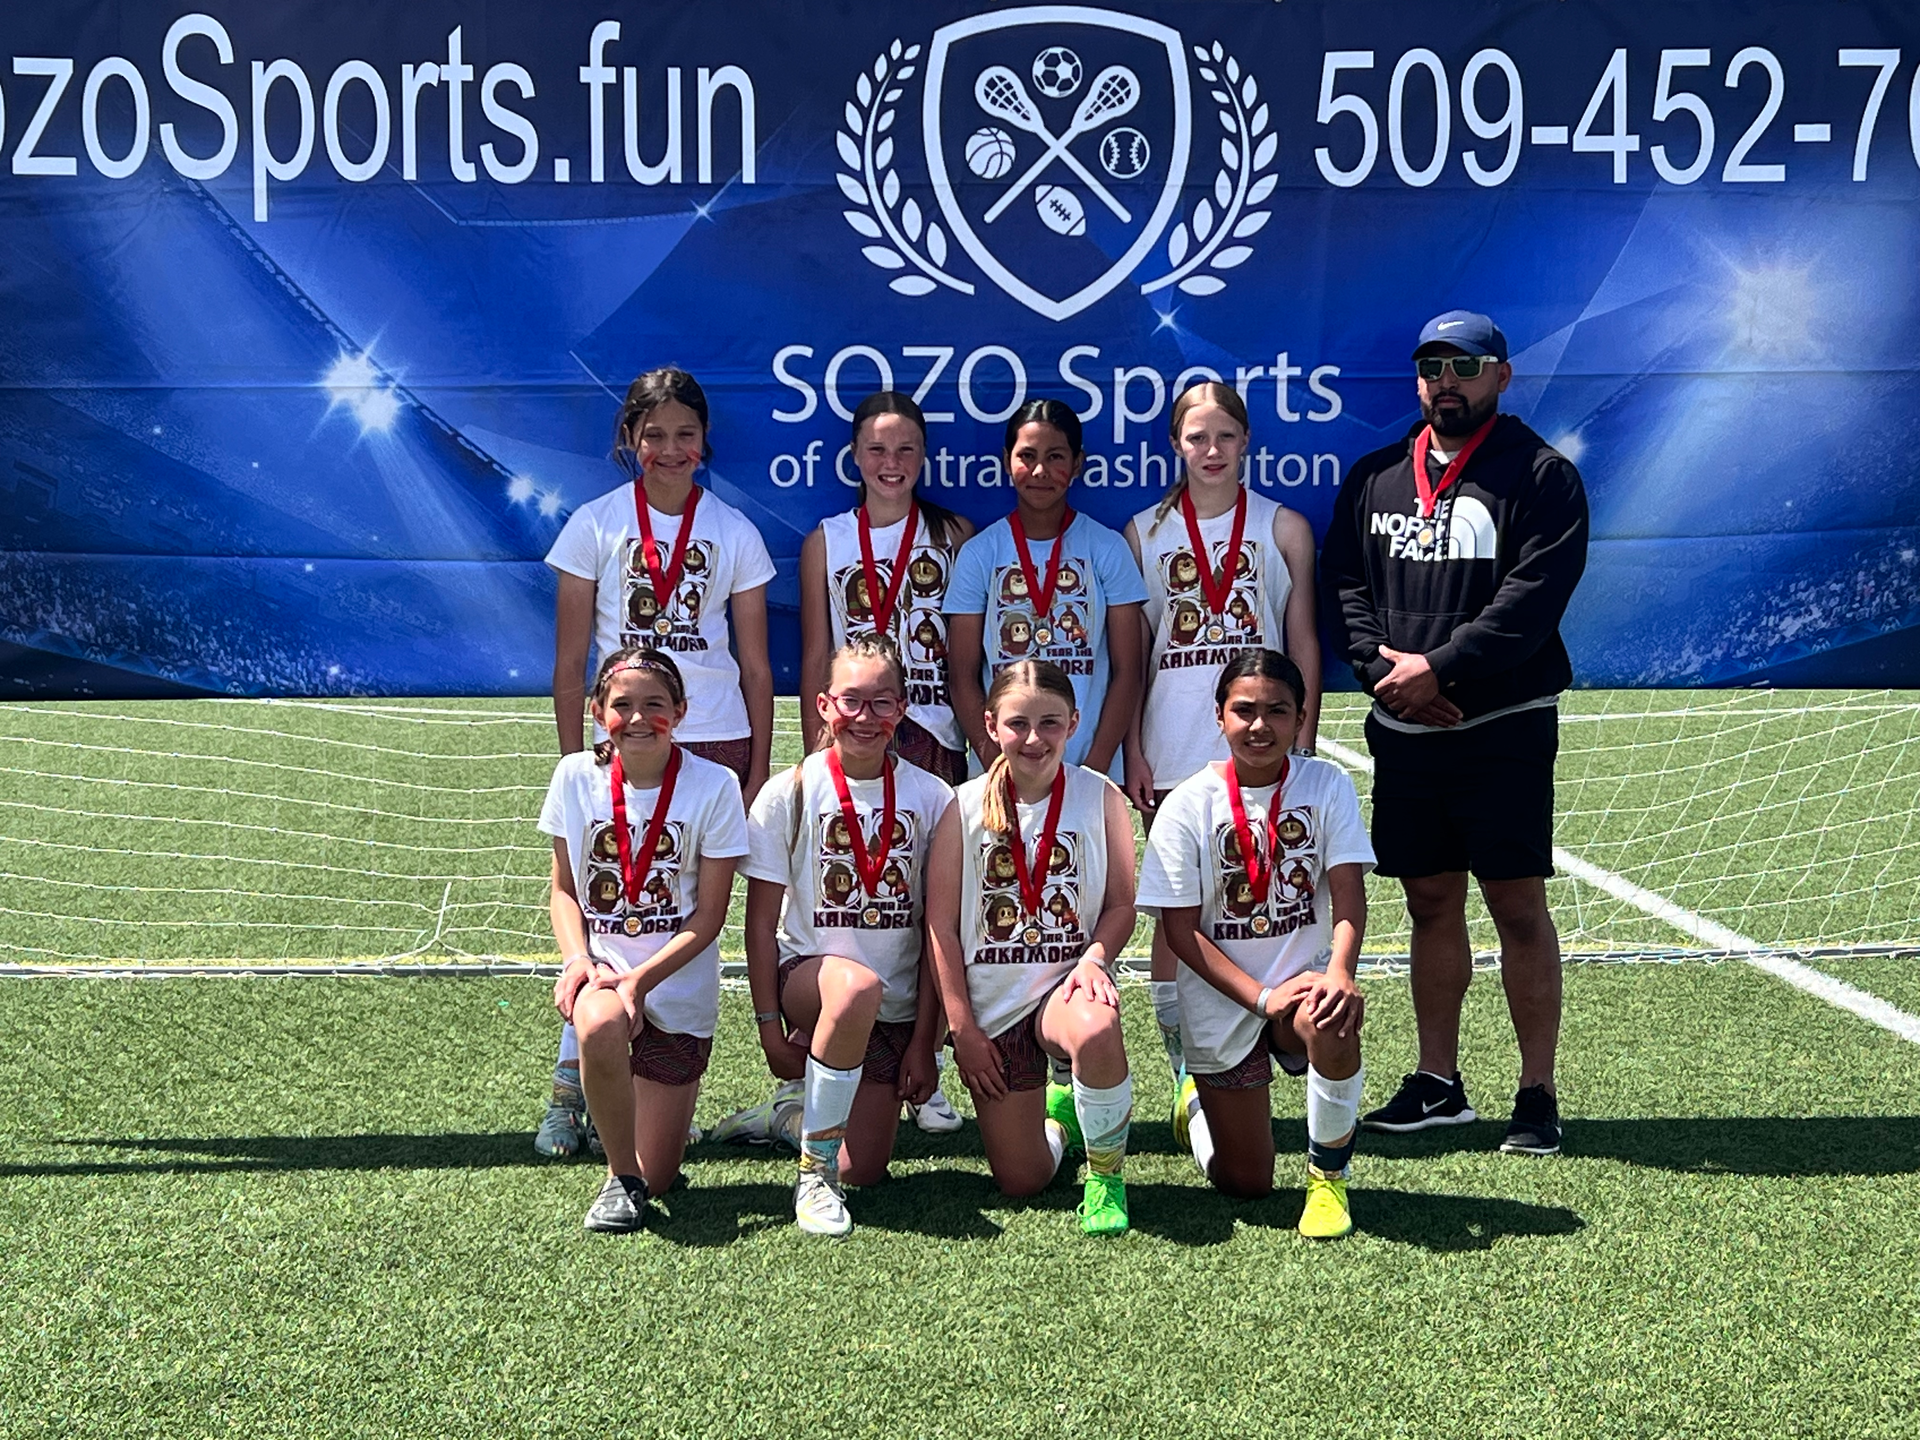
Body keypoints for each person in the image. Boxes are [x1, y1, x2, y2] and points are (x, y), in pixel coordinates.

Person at [1320, 310, 1589, 1156]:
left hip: (1502, 728)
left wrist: (1442, 670)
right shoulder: (1374, 477)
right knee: (1429, 900)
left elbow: (1534, 598)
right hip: (1404, 730)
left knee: (1516, 903)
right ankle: (1439, 1082)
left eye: (1467, 366)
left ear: (1502, 377)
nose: (1449, 380)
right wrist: (1380, 674)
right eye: (1433, 365)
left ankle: (1536, 1092)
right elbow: (1343, 586)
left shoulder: (1542, 476)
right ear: (1417, 380)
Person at [536, 366, 776, 1159]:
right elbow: (572, 659)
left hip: (715, 741)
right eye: (654, 435)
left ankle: (677, 1080)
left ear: (705, 442)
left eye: (685, 434)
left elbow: (754, 662)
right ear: (629, 442)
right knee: (608, 904)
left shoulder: (733, 530)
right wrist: (579, 761)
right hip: (626, 734)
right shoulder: (594, 525)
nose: (670, 449)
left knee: (684, 917)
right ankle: (573, 1086)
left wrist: (756, 763)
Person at [1121, 380, 1322, 1126]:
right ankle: (1186, 1071)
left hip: (1266, 749)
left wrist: (1305, 737)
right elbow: (1137, 653)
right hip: (1174, 749)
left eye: (1225, 437)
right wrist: (1134, 752)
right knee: (1181, 918)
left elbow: (1302, 639)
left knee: (1261, 902)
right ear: (1175, 443)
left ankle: (1274, 1024)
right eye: (1196, 438)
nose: (1211, 451)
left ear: (1246, 443)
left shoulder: (1284, 527)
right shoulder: (1143, 533)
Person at [712, 637, 954, 1237]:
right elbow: (759, 925)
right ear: (823, 706)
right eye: (850, 701)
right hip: (811, 984)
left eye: (881, 703)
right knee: (852, 988)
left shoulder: (933, 797)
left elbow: (939, 934)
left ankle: (791, 1117)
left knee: (866, 1169)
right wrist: (769, 1026)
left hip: (893, 1007)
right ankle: (815, 1177)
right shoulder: (788, 792)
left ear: (903, 709)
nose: (864, 717)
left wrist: (926, 1040)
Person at [1137, 650, 1372, 1238]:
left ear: (1299, 718)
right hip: (1225, 997)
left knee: (1334, 1018)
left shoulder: (1327, 784)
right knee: (1247, 1183)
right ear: (1219, 716)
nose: (1260, 725)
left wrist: (1340, 970)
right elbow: (1179, 932)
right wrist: (1261, 998)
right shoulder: (1186, 805)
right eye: (1244, 710)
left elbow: (1348, 895)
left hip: (1303, 987)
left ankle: (1328, 1181)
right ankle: (1192, 1102)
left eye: (1277, 711)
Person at [799, 391, 973, 1135]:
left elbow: (971, 653)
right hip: (855, 736)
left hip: (935, 735)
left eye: (905, 450)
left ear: (924, 457)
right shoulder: (826, 541)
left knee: (935, 911)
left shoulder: (956, 533)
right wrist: (816, 748)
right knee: (852, 902)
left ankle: (924, 1068)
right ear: (855, 457)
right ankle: (823, 1064)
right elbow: (815, 648)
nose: (891, 464)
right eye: (877, 450)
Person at [926, 660, 1139, 1236]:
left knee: (1096, 1026)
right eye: (1018, 724)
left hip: (1066, 986)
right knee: (1021, 1181)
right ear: (991, 724)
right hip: (993, 1008)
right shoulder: (961, 806)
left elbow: (1122, 904)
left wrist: (1095, 959)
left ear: (1073, 722)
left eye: (1050, 723)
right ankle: (1065, 1120)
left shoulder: (1100, 796)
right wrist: (962, 1029)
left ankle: (1105, 1177)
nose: (1034, 739)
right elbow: (941, 927)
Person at [540, 647, 748, 1232]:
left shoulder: (715, 784)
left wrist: (640, 980)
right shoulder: (574, 777)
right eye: (621, 705)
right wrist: (580, 960)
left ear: (680, 711)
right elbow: (563, 892)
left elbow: (709, 918)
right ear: (596, 711)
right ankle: (619, 1175)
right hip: (602, 973)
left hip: (676, 983)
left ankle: (646, 1154)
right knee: (602, 1022)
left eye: (654, 705)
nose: (636, 719)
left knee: (663, 1175)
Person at [945, 400, 1146, 779]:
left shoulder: (1106, 547)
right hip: (1000, 771)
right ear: (1007, 461)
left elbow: (1128, 672)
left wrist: (1094, 770)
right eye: (1027, 456)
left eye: (1055, 457)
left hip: (1086, 767)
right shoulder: (979, 554)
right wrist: (996, 763)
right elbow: (962, 676)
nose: (1040, 471)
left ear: (1077, 464)